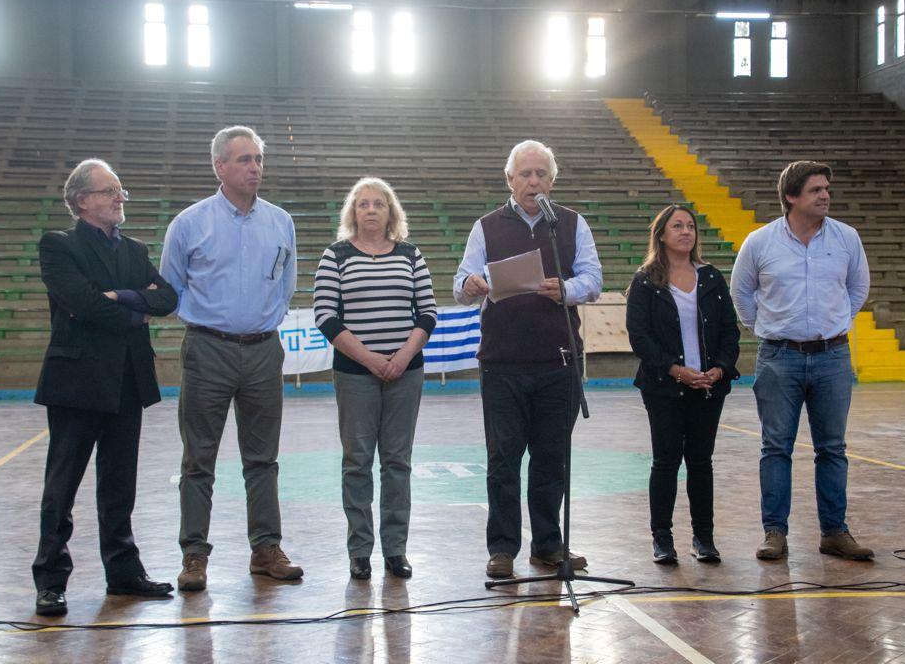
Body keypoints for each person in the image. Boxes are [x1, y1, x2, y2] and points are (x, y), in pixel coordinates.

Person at [32, 159, 178, 616]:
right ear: (82, 201)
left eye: (121, 191)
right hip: (76, 382)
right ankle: (50, 580)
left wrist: (120, 297)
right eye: (110, 191)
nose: (120, 198)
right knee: (63, 485)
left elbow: (168, 298)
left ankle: (124, 573)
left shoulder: (133, 250)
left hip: (126, 382)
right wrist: (136, 307)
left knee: (119, 484)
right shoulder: (58, 245)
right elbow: (81, 305)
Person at [160, 125, 302, 591]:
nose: (254, 167)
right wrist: (213, 323)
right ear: (219, 166)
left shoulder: (281, 222)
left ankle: (266, 549)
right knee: (198, 459)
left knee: (263, 459)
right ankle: (194, 555)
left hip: (263, 350)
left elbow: (287, 285)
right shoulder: (189, 223)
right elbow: (170, 287)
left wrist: (262, 320)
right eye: (243, 159)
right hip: (208, 350)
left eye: (258, 158)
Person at [454, 139, 602, 579]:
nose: (533, 181)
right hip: (502, 364)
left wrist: (567, 289)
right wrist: (474, 285)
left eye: (540, 174)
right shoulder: (486, 226)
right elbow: (461, 283)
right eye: (525, 174)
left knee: (551, 458)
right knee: (503, 460)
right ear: (509, 179)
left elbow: (592, 280)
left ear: (552, 181)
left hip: (558, 363)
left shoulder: (572, 225)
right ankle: (502, 549)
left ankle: (548, 545)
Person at [730, 160, 874, 561]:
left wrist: (838, 322)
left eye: (826, 188)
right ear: (791, 197)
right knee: (775, 447)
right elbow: (741, 294)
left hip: (833, 356)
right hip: (780, 357)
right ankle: (774, 532)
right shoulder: (760, 242)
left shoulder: (847, 238)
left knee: (833, 448)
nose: (825, 195)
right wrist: (770, 328)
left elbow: (858, 286)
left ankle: (834, 532)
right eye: (815, 189)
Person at [313, 177, 438, 581]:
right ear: (353, 212)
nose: (370, 210)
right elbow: (326, 317)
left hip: (406, 374)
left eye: (378, 204)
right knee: (357, 463)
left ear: (391, 212)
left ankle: (395, 550)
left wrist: (401, 357)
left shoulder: (410, 254)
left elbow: (428, 313)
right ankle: (360, 551)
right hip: (355, 376)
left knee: (397, 463)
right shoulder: (335, 256)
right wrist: (370, 360)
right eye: (363, 204)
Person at [625, 205, 740, 565]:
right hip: (664, 387)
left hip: (708, 386)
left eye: (690, 225)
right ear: (661, 234)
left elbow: (729, 331)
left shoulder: (711, 277)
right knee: (665, 461)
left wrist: (720, 368)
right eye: (677, 226)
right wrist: (676, 370)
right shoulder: (645, 280)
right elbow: (639, 337)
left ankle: (703, 538)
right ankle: (662, 539)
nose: (686, 231)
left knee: (701, 462)